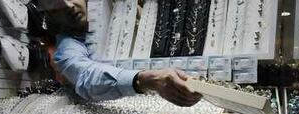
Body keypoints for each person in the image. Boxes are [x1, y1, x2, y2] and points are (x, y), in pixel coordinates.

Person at [39, 0, 201, 106]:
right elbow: (86, 76)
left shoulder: (114, 10)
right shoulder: (68, 48)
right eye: (57, 4)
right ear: (50, 15)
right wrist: (144, 80)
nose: (69, 6)